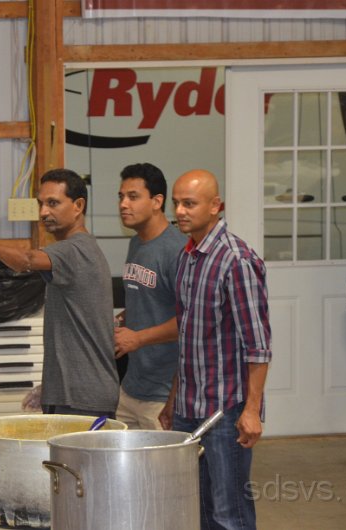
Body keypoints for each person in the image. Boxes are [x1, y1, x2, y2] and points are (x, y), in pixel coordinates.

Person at [0, 169, 119, 418]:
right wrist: (51, 388)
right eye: (41, 204)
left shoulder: (75, 250)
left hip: (83, 400)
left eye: (53, 203)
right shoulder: (73, 251)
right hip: (72, 395)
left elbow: (28, 260)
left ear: (78, 206)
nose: (43, 212)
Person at [159, 169, 271, 530]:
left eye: (189, 203)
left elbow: (258, 346)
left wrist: (252, 411)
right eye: (177, 202)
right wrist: (173, 400)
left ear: (215, 206)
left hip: (226, 412)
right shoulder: (187, 258)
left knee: (229, 514)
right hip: (190, 408)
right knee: (201, 511)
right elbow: (189, 337)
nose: (180, 211)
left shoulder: (235, 261)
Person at [114, 163, 186, 429]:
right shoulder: (136, 242)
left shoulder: (177, 251)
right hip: (131, 387)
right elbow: (145, 302)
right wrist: (118, 322)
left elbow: (190, 320)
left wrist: (138, 338)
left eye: (133, 197)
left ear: (157, 201)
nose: (123, 204)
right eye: (121, 197)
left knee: (160, 472)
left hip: (163, 395)